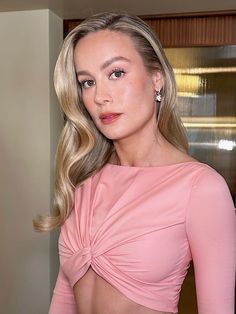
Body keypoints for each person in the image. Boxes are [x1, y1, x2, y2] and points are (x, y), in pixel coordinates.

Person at [34, 12, 236, 314]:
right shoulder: (84, 182)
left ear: (157, 78)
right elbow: (63, 299)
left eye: (116, 73)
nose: (100, 96)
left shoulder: (200, 188)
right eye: (87, 82)